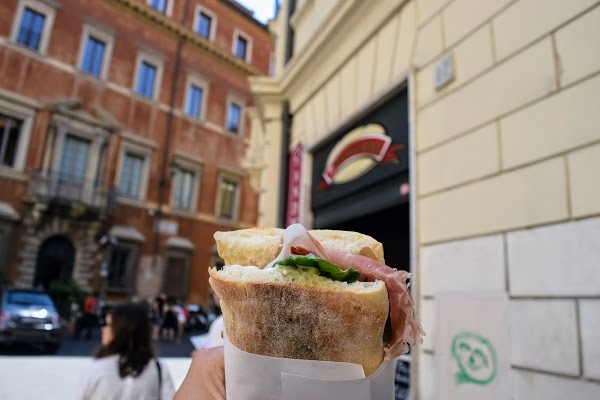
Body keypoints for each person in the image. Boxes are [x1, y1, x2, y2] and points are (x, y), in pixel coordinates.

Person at [77, 303, 176, 400]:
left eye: (108, 324)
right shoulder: (158, 368)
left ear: (120, 330)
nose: (103, 329)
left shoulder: (97, 369)